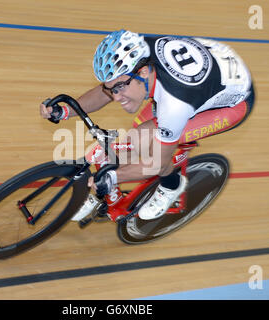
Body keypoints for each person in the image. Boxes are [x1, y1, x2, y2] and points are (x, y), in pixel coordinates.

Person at [40, 30, 255, 220]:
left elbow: (156, 165)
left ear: (142, 73)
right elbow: (106, 90)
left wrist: (113, 176)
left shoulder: (175, 105)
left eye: (120, 88)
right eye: (112, 89)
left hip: (230, 104)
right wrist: (67, 110)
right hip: (210, 71)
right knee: (132, 142)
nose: (116, 97)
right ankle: (107, 190)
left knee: (148, 143)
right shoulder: (137, 52)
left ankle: (171, 185)